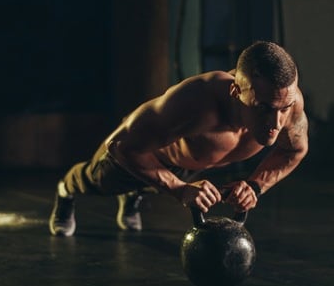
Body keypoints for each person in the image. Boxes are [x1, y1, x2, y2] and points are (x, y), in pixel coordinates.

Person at [49, 41, 309, 236]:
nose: (276, 123)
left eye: (283, 109)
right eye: (263, 108)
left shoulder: (288, 102)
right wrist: (178, 189)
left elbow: (293, 150)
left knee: (155, 185)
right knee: (96, 182)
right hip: (143, 153)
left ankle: (135, 195)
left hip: (190, 165)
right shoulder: (196, 101)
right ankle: (65, 191)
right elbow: (121, 146)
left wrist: (254, 186)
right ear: (235, 92)